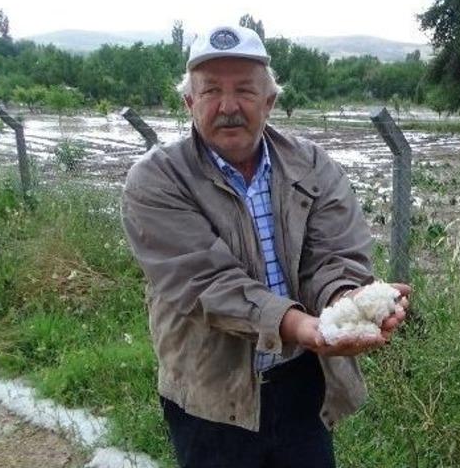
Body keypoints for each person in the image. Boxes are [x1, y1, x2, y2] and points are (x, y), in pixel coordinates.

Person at [121, 24, 410, 468]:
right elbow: (205, 282)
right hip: (209, 394)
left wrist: (346, 302)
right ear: (189, 102)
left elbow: (334, 255)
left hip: (301, 384)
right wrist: (302, 327)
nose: (229, 106)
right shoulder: (158, 179)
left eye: (245, 91)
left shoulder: (311, 164)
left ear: (270, 101)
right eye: (211, 91)